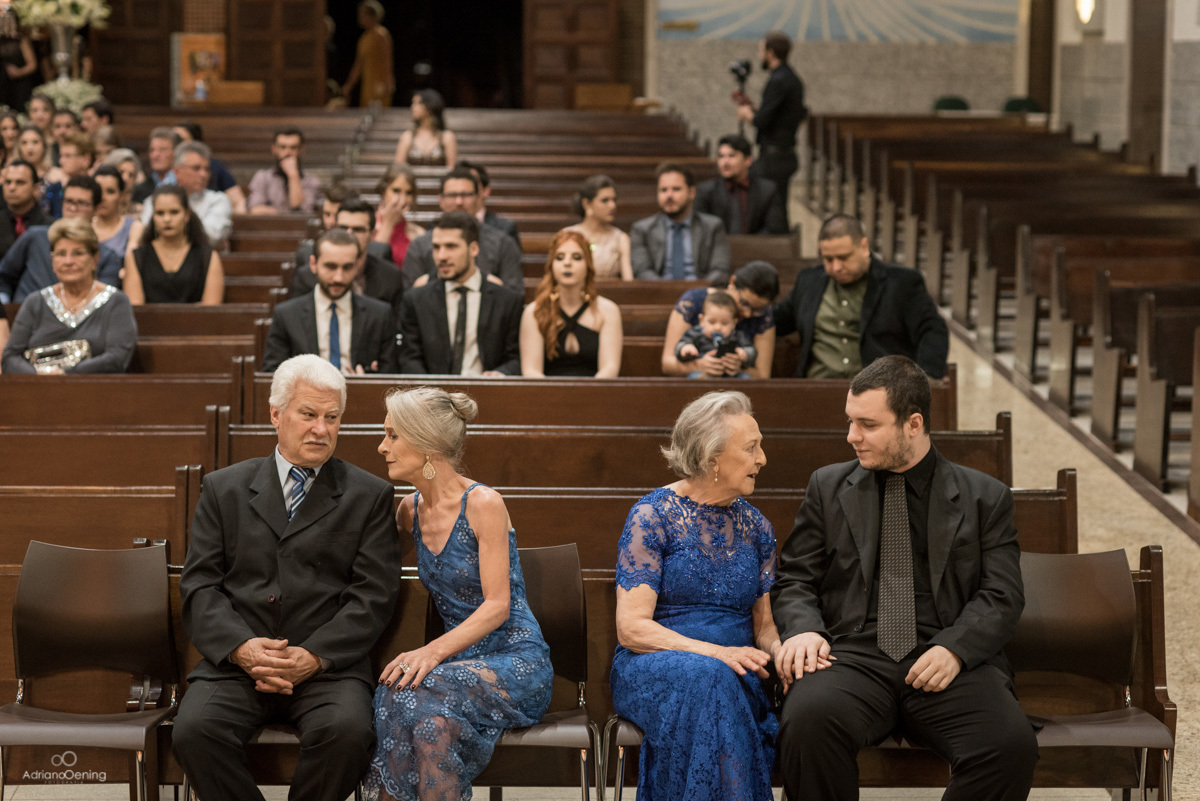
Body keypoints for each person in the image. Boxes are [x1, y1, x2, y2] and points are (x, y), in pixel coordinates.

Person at [771, 355, 1037, 801]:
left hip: (946, 657)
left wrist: (956, 648)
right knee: (808, 723)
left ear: (914, 424)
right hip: (852, 656)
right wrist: (802, 629)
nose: (852, 436)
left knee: (1008, 745)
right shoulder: (829, 486)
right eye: (851, 421)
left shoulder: (984, 497)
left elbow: (1002, 594)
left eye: (868, 425)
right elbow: (796, 576)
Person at [173, 354, 402, 801]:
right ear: (276, 414)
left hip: (327, 668)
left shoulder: (368, 495)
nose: (322, 429)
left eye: (332, 418)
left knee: (348, 732)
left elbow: (372, 596)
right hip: (239, 665)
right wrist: (242, 649)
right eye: (309, 415)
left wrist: (313, 656)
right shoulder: (224, 489)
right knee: (194, 731)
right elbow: (200, 586)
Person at [365, 386, 553, 800]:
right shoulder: (408, 510)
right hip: (456, 667)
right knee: (428, 724)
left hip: (514, 660)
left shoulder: (483, 502)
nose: (382, 447)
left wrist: (430, 652)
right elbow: (371, 572)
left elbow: (497, 606)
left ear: (428, 444)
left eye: (393, 435)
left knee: (405, 687)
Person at [611, 390, 778, 801]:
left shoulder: (758, 528)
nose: (763, 459)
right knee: (709, 678)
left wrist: (786, 652)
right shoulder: (653, 516)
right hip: (656, 663)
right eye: (752, 448)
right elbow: (632, 630)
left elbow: (765, 627)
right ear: (712, 457)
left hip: (736, 669)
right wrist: (715, 653)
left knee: (717, 682)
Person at [774, 214, 948, 379]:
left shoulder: (901, 284)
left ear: (864, 247)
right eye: (828, 259)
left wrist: (923, 381)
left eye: (843, 257)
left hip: (880, 394)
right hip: (817, 388)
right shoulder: (808, 281)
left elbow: (932, 330)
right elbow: (777, 320)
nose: (836, 267)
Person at [1, 216, 136, 374]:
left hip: (97, 393)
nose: (68, 261)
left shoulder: (116, 301)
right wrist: (40, 376)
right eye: (61, 254)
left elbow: (117, 359)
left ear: (94, 258)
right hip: (37, 392)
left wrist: (66, 375)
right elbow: (10, 358)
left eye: (78, 253)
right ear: (52, 261)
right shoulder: (35, 301)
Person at [398, 211, 522, 375]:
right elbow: (409, 358)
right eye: (436, 247)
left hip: (489, 394)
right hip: (432, 396)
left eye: (451, 246)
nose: (441, 256)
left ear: (473, 249)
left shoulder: (506, 300)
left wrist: (499, 374)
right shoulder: (416, 299)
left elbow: (516, 358)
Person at [263, 229, 397, 373]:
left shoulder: (380, 315)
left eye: (347, 267)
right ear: (313, 264)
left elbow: (390, 375)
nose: (338, 277)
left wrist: (365, 384)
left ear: (357, 266)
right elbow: (272, 374)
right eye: (330, 266)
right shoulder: (287, 315)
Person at [0, 175, 121, 303]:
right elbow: (3, 275)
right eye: (69, 201)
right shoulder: (35, 236)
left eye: (81, 203)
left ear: (97, 209)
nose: (73, 209)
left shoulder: (107, 256)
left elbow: (104, 300)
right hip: (23, 315)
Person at [400, 167, 523, 293]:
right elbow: (409, 296)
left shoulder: (503, 243)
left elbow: (514, 297)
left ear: (478, 198)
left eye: (466, 195)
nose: (459, 201)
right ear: (441, 200)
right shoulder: (419, 246)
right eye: (452, 195)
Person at [519, 229, 623, 377]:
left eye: (576, 257)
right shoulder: (534, 312)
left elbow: (610, 369)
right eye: (559, 257)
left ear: (588, 265)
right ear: (551, 265)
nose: (567, 263)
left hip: (596, 396)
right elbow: (531, 371)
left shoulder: (608, 311)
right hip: (545, 396)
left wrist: (584, 397)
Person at [290, 198, 404, 321]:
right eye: (343, 228)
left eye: (358, 229)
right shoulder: (306, 277)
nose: (349, 234)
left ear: (371, 235)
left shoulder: (390, 277)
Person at [661, 260, 779, 379]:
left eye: (757, 309)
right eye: (744, 303)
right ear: (732, 282)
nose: (748, 314)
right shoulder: (693, 302)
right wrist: (699, 365)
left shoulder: (764, 316)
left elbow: (763, 374)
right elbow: (667, 364)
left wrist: (739, 366)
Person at [736, 31, 807, 223]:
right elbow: (797, 113)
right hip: (785, 153)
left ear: (770, 52)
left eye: (761, 50)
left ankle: (776, 244)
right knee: (778, 207)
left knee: (771, 209)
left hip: (774, 157)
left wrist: (747, 114)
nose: (759, 55)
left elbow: (761, 121)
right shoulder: (793, 78)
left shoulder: (777, 80)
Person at [123, 185, 223, 305]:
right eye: (160, 213)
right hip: (148, 323)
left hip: (197, 323)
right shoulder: (137, 257)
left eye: (174, 212)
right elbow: (136, 309)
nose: (167, 219)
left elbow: (211, 308)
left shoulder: (208, 257)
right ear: (153, 217)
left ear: (186, 215)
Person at [631, 163, 730, 283]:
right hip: (658, 295)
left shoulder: (713, 227)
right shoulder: (642, 230)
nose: (669, 195)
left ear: (692, 192)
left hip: (702, 295)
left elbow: (720, 270)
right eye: (663, 190)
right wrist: (667, 291)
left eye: (676, 189)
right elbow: (642, 271)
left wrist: (697, 292)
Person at [140, 141, 233, 247]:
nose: (204, 175)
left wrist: (168, 231)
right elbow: (147, 234)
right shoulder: (156, 200)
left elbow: (212, 236)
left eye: (207, 169)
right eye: (196, 168)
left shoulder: (218, 200)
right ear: (177, 172)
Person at [695, 134, 787, 236]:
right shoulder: (705, 191)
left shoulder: (767, 190)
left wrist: (746, 247)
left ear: (748, 160)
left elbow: (775, 230)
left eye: (732, 156)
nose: (725, 162)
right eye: (721, 156)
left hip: (758, 249)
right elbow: (701, 230)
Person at [296, 184, 393, 268]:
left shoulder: (380, 252)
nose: (330, 222)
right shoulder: (306, 255)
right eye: (327, 214)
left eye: (336, 215)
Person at [563, 174, 632, 280]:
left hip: (611, 294)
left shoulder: (620, 238)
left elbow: (628, 282)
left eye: (614, 200)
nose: (612, 205)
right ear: (586, 204)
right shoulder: (567, 234)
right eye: (605, 200)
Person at [675, 290, 756, 379]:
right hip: (704, 373)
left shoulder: (737, 336)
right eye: (712, 322)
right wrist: (685, 348)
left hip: (730, 374)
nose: (718, 327)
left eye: (724, 323)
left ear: (733, 323)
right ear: (701, 320)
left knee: (745, 377)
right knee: (694, 377)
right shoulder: (695, 333)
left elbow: (751, 350)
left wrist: (744, 354)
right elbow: (680, 345)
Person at [173, 121, 248, 214]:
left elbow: (239, 201)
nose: (203, 174)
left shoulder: (215, 168)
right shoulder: (163, 191)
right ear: (177, 171)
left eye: (179, 140)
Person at [247, 126, 322, 215]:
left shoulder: (312, 181)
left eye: (293, 147)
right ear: (274, 149)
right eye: (283, 147)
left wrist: (293, 176)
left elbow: (302, 210)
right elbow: (255, 209)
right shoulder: (262, 177)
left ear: (301, 150)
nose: (288, 152)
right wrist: (285, 214)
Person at [341, 0, 394, 107]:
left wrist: (387, 82)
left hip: (380, 83)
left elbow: (387, 60)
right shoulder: (364, 38)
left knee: (379, 114)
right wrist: (349, 85)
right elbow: (358, 65)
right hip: (368, 84)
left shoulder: (381, 35)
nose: (360, 17)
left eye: (363, 14)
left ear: (372, 15)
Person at [456, 159, 520, 248]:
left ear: (486, 191)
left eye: (471, 183)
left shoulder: (504, 228)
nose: (463, 189)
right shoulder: (436, 229)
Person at [371, 163, 424, 266]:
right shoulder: (368, 227)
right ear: (383, 191)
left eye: (408, 193)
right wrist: (388, 224)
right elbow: (373, 262)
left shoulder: (418, 233)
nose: (402, 199)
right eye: (396, 191)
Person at [91, 164, 143, 261]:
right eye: (99, 191)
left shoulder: (133, 227)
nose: (103, 197)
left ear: (121, 195)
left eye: (110, 191)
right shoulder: (85, 226)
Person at [0, 159, 51, 260]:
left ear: (35, 189)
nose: (12, 187)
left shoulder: (50, 226)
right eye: (8, 182)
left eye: (20, 182)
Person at [394, 89, 457, 166]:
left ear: (429, 106)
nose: (412, 107)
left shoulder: (447, 137)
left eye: (417, 103)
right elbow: (398, 169)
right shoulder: (407, 136)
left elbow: (451, 169)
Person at [41, 132, 94, 219]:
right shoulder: (55, 187)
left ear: (85, 159)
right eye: (61, 156)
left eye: (68, 156)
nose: (61, 161)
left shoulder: (96, 187)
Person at [131, 127, 179, 204]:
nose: (155, 155)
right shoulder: (139, 191)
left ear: (175, 152)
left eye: (162, 149)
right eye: (152, 150)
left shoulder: (185, 185)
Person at [0, 10, 35, 113]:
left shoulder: (21, 40)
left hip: (19, 84)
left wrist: (19, 72)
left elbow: (32, 64)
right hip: (2, 83)